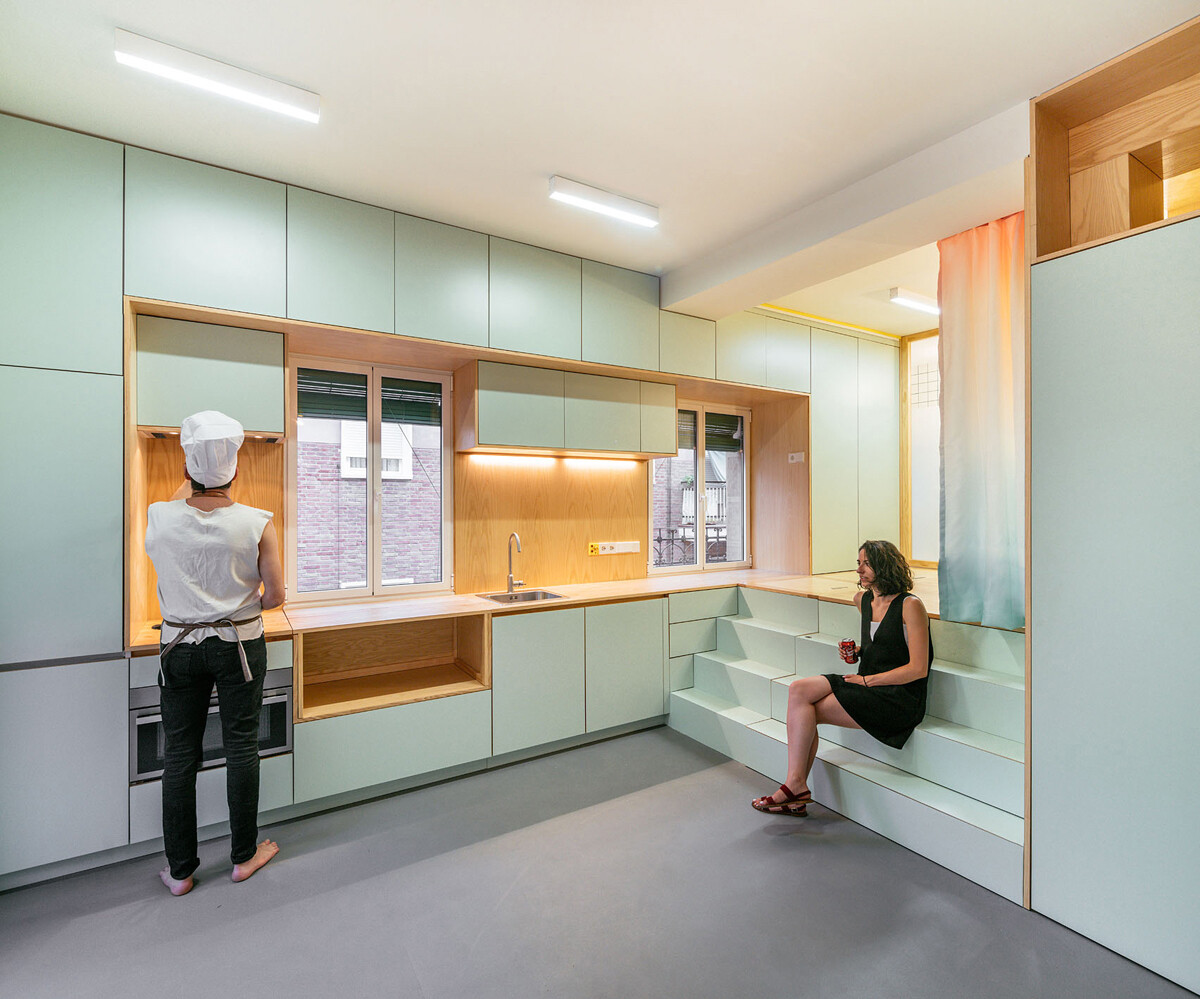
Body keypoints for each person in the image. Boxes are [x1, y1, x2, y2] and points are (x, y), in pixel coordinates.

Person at [145, 411, 286, 895]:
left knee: (179, 756)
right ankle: (244, 857)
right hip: (239, 645)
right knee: (241, 745)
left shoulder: (159, 516)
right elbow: (276, 595)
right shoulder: (256, 522)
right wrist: (240, 604)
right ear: (237, 471)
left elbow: (183, 513)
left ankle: (180, 871)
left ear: (186, 471)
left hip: (178, 646)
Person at [752, 539, 932, 816]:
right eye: (858, 563)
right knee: (799, 690)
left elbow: (918, 668)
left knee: (806, 711)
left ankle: (795, 788)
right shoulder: (864, 600)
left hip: (897, 697)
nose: (859, 569)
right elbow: (883, 643)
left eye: (866, 563)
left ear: (885, 565)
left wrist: (867, 680)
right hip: (866, 683)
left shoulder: (910, 605)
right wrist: (859, 652)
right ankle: (795, 785)